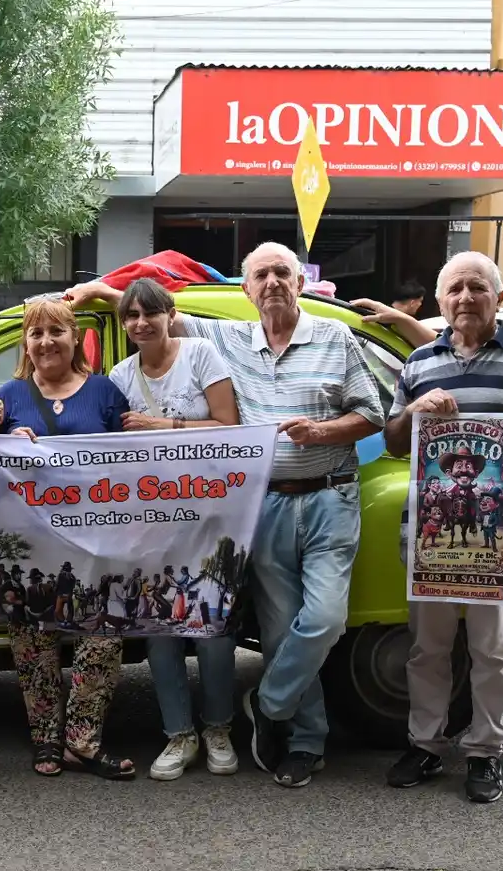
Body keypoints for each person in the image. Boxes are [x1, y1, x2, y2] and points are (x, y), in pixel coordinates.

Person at [67, 242, 385, 790]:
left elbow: (371, 413)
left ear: (301, 281)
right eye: (261, 275)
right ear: (246, 290)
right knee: (283, 632)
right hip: (263, 504)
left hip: (331, 494)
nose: (273, 283)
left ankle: (268, 702)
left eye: (282, 272)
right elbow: (155, 316)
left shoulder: (335, 337)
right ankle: (306, 742)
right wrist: (100, 291)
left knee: (327, 619)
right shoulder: (228, 338)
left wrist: (324, 431)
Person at [381, 250, 503, 803]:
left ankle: (485, 752)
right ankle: (426, 744)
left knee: (492, 649)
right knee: (427, 648)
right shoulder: (418, 362)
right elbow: (394, 442)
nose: (465, 298)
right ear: (440, 303)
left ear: (499, 297)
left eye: (477, 288)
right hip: (431, 536)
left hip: (501, 536)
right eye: (455, 289)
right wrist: (414, 413)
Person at [0, 298, 137, 779]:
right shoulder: (7, 398)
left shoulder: (104, 392)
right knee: (34, 641)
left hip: (98, 541)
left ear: (75, 338)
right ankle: (46, 741)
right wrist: (2, 438)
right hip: (31, 543)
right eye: (36, 334)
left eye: (56, 331)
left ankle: (82, 740)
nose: (46, 341)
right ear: (26, 344)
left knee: (102, 638)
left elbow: (134, 461)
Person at [105, 277, 242, 781]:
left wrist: (160, 427)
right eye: (132, 316)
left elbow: (230, 425)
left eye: (150, 313)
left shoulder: (201, 355)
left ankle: (218, 727)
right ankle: (178, 733)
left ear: (169, 314)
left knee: (213, 624)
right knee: (158, 625)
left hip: (210, 517)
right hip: (149, 522)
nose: (142, 323)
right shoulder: (120, 375)